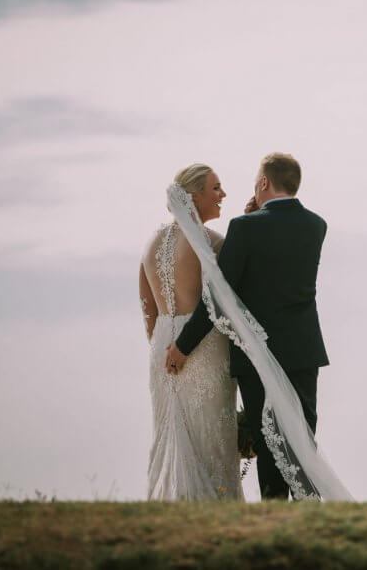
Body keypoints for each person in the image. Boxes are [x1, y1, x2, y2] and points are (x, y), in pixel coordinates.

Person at [166, 152, 330, 500]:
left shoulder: (243, 228)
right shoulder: (316, 225)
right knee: (302, 441)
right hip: (304, 351)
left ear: (263, 183)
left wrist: (183, 345)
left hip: (259, 353)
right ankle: (309, 511)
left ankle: (274, 511)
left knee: (269, 442)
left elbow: (218, 297)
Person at [139, 164, 242, 500]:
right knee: (211, 439)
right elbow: (221, 305)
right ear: (195, 195)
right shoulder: (212, 243)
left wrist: (164, 349)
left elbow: (148, 311)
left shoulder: (151, 244)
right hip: (202, 346)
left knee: (169, 434)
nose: (223, 195)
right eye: (216, 188)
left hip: (162, 347)